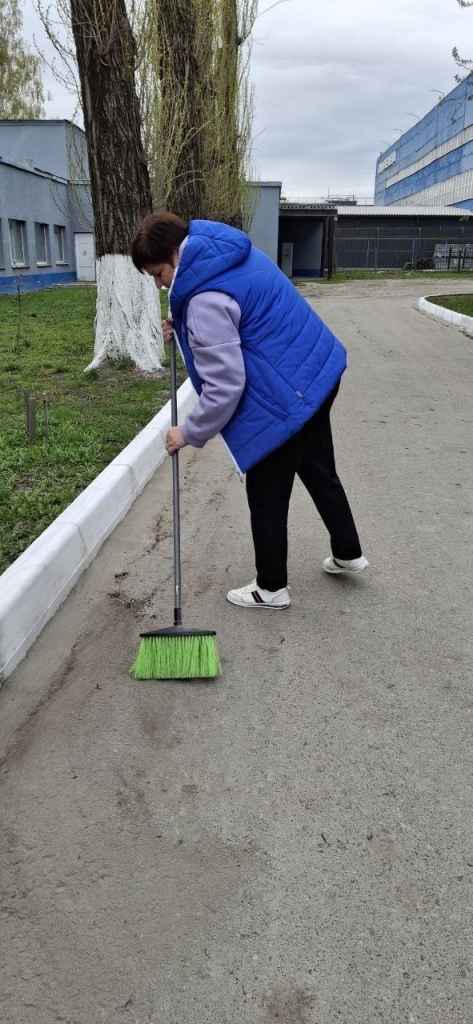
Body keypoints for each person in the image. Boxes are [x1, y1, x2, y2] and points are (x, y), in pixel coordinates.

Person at [131, 212, 368, 610]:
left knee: (267, 490)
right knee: (317, 467)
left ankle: (271, 588)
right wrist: (185, 325)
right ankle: (348, 552)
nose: (159, 284)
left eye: (158, 273)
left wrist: (188, 432)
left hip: (285, 394)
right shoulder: (226, 252)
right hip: (316, 371)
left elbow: (225, 385)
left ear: (174, 253)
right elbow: (241, 314)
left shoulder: (204, 299)